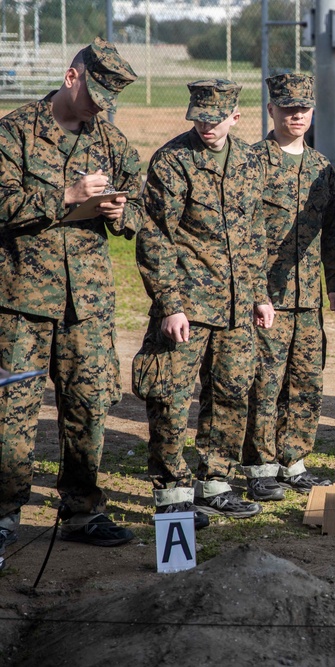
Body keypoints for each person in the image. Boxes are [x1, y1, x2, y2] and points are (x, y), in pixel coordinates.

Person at [0, 37, 139, 549]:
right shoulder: (13, 133)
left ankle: (82, 511)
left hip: (89, 302)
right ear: (70, 76)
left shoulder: (112, 140)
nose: (99, 109)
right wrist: (66, 196)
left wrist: (123, 214)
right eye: (94, 95)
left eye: (109, 102)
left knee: (88, 404)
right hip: (22, 302)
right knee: (12, 411)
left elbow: (140, 206)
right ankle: (5, 515)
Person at [135, 79, 274, 524]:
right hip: (188, 305)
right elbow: (156, 236)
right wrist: (171, 304)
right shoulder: (173, 161)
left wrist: (259, 295)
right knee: (171, 398)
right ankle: (172, 494)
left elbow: (255, 236)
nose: (206, 127)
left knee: (232, 393)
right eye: (199, 118)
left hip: (235, 307)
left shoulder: (250, 162)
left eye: (214, 119)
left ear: (235, 117)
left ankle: (215, 483)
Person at [241, 73, 335, 502]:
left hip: (308, 299)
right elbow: (242, 234)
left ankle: (294, 460)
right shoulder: (252, 163)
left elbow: (333, 230)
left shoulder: (322, 167)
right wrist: (253, 292)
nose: (296, 115)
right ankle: (260, 466)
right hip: (266, 296)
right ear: (271, 111)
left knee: (307, 380)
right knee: (265, 382)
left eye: (303, 108)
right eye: (287, 108)